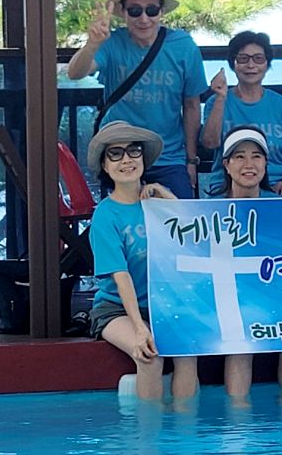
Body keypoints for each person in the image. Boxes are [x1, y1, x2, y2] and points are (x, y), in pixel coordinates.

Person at [67, 0, 208, 199]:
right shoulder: (112, 42)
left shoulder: (183, 46)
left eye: (151, 10)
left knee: (180, 216)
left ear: (161, 12)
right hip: (121, 153)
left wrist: (191, 160)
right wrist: (92, 45)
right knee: (126, 219)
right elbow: (75, 72)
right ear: (123, 12)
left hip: (168, 156)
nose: (144, 19)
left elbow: (192, 105)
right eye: (135, 10)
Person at [86, 121, 197, 400]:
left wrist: (167, 195)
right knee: (150, 356)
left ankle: (184, 427)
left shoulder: (158, 203)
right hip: (116, 308)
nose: (126, 159)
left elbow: (197, 237)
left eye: (133, 151)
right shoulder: (105, 215)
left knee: (188, 349)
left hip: (163, 304)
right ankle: (149, 428)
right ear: (104, 166)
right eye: (115, 154)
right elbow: (120, 277)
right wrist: (139, 329)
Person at [213, 125, 282, 403]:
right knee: (239, 343)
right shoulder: (208, 210)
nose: (249, 164)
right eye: (239, 157)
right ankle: (238, 418)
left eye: (256, 156)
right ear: (226, 165)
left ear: (266, 164)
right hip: (233, 298)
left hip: (277, 295)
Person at [201, 31, 282, 197]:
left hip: (276, 187)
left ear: (267, 64)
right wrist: (220, 97)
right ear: (233, 63)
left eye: (258, 58)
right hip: (228, 186)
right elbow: (210, 143)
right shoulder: (216, 101)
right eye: (243, 58)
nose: (251, 65)